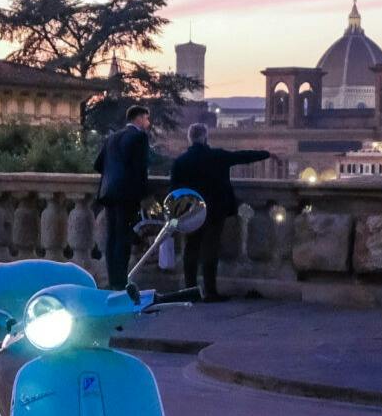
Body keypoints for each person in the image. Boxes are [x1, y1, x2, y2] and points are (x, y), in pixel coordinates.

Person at [169, 121, 272, 301]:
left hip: (191, 211)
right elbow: (242, 157)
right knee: (211, 248)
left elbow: (174, 190)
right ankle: (210, 291)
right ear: (205, 137)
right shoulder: (217, 156)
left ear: (190, 138)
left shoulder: (180, 161)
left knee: (191, 249)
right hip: (216, 209)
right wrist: (267, 154)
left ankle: (190, 291)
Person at [93, 105, 154, 291]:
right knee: (123, 237)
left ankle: (113, 280)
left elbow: (98, 164)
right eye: (147, 119)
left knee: (112, 238)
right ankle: (121, 281)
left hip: (108, 192)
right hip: (127, 194)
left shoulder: (112, 137)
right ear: (139, 118)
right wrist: (144, 195)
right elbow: (140, 168)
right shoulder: (139, 137)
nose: (148, 123)